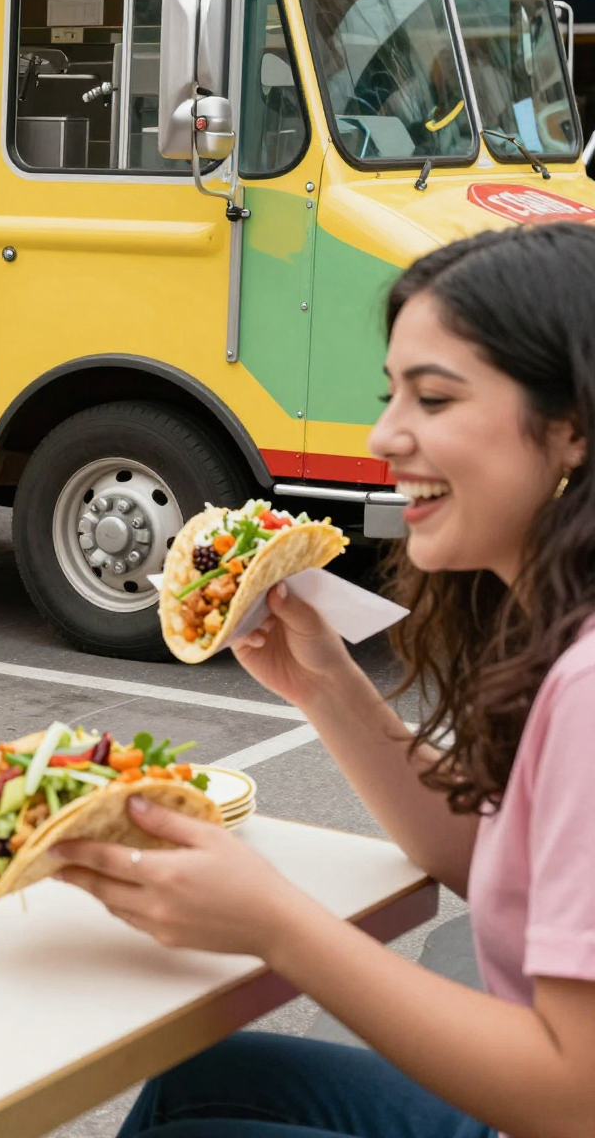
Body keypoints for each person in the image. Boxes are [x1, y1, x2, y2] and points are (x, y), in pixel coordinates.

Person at [54, 221, 595, 1138]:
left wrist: (277, 926)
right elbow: (495, 865)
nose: (385, 434)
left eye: (433, 398)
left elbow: (574, 1096)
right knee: (199, 1083)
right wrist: (326, 685)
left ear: (573, 428)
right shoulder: (551, 629)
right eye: (392, 395)